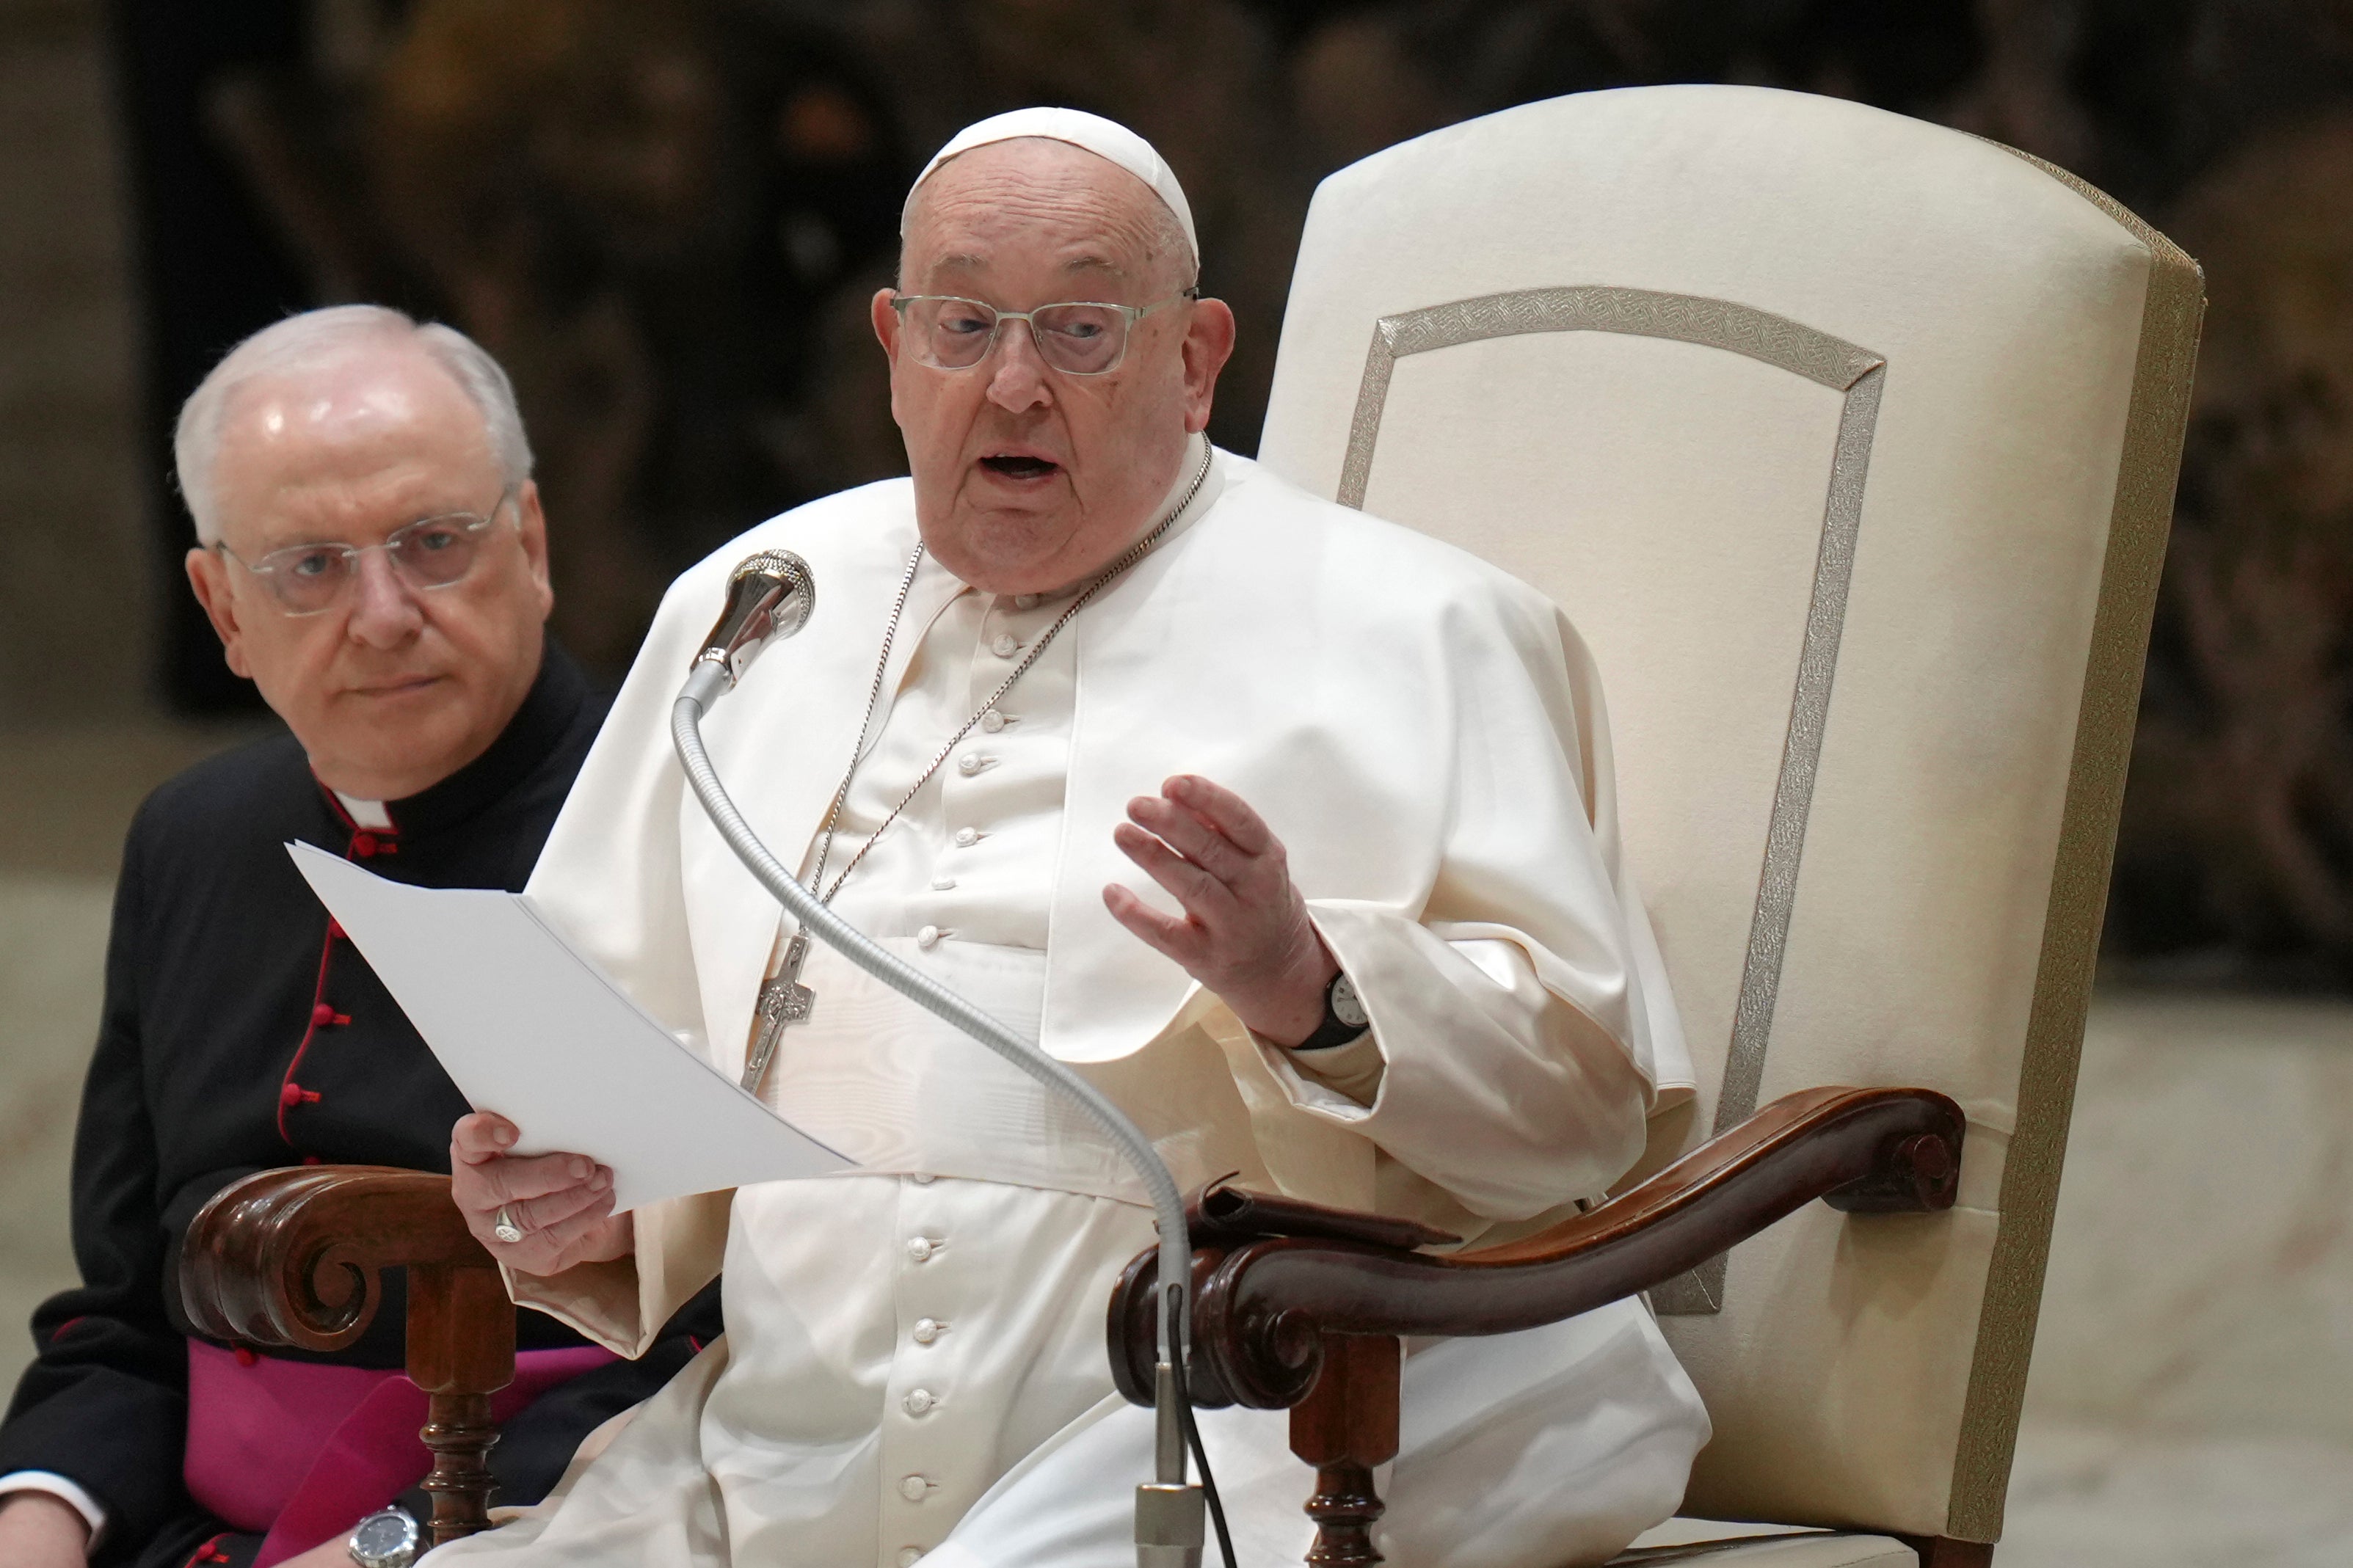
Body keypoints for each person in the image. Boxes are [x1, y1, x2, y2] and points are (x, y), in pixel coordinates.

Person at [437, 110, 1710, 1568]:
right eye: (963, 323)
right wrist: (563, 1204)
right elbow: (614, 1097)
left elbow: (1582, 1124)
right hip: (769, 1469)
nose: (1015, 384)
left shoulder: (1424, 628)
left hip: (1207, 1443)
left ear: (1195, 358)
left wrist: (1311, 985)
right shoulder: (756, 608)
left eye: (1083, 331)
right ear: (893, 349)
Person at [0, 307, 718, 1568]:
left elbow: (743, 1329)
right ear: (222, 605)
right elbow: (121, 1316)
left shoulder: (691, 819)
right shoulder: (193, 836)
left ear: (532, 543)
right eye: (311, 568)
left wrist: (395, 1543)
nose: (383, 614)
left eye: (434, 543)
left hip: (547, 1526)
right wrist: (38, 1519)